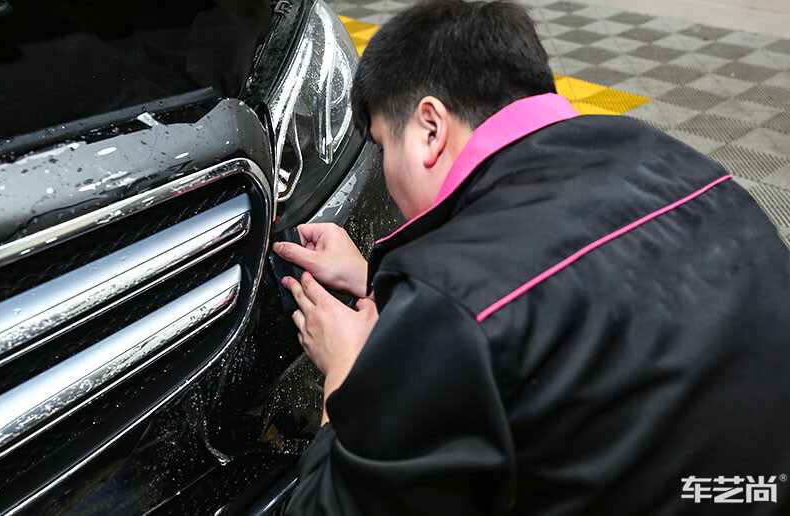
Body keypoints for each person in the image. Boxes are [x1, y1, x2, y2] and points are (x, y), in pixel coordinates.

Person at [274, 1, 790, 514]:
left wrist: (347, 374)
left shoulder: (451, 295)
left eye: (385, 146)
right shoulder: (682, 163)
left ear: (430, 128)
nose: (386, 168)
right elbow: (563, 289)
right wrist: (377, 284)